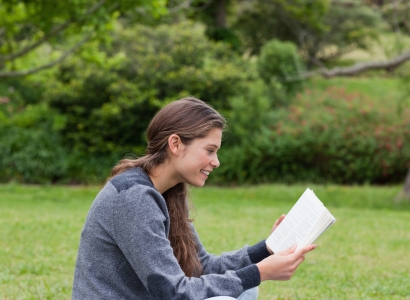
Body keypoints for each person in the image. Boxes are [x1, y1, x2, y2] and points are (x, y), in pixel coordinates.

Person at [72, 97, 316, 300]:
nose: (216, 162)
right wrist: (258, 272)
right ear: (176, 144)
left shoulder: (168, 192)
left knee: (245, 288)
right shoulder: (133, 198)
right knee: (234, 293)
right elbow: (173, 291)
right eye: (210, 150)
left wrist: (267, 248)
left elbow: (201, 267)